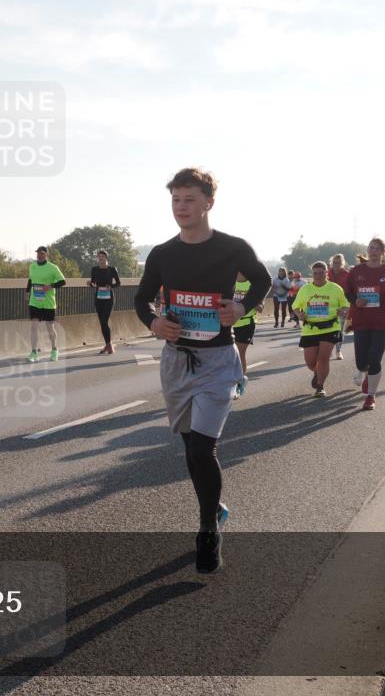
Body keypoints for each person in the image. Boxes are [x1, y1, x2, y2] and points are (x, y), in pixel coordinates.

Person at [134, 167, 270, 574]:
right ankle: (215, 508)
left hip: (216, 363)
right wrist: (155, 323)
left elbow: (261, 280)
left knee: (201, 449)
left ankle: (207, 529)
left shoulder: (232, 248)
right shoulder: (162, 254)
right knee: (190, 448)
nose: (181, 208)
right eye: (176, 200)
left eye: (189, 200)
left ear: (209, 203)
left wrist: (242, 307)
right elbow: (142, 301)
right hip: (176, 361)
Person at [345, 238, 385, 411]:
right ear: (367, 250)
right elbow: (348, 292)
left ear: (382, 253)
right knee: (361, 362)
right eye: (371, 247)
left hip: (382, 321)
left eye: (377, 248)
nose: (373, 251)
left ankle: (370, 395)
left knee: (374, 358)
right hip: (361, 320)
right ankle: (364, 374)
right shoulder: (357, 271)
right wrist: (355, 300)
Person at [291, 262, 350, 397]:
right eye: (315, 273)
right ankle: (317, 372)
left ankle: (320, 386)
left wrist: (343, 311)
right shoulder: (305, 290)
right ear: (312, 274)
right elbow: (295, 306)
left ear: (326, 273)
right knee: (310, 361)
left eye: (321, 273)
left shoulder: (335, 288)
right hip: (310, 328)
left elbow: (346, 305)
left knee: (323, 358)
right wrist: (300, 314)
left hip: (330, 327)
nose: (318, 276)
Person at [26, 246, 66, 362]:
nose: (39, 255)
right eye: (38, 253)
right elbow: (30, 280)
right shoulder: (32, 266)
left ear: (46, 255)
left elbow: (63, 281)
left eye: (42, 254)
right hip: (34, 301)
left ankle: (54, 350)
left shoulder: (53, 268)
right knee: (34, 326)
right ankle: (34, 352)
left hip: (48, 302)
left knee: (50, 327)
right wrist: (27, 292)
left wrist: (51, 286)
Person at [231, 271, 262, 399]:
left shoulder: (253, 284)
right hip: (230, 322)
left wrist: (257, 304)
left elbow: (261, 306)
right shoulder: (229, 281)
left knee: (238, 353)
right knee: (229, 354)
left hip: (246, 323)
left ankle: (239, 383)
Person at [89, 250, 122, 354]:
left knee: (104, 320)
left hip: (109, 298)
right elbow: (93, 283)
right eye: (99, 256)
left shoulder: (112, 269)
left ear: (106, 258)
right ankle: (108, 345)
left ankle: (109, 345)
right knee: (102, 323)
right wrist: (90, 283)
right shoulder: (94, 269)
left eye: (102, 256)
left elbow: (118, 283)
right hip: (98, 298)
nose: (101, 258)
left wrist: (110, 286)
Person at [327, 254, 351, 358]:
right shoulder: (327, 273)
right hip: (327, 304)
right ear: (331, 263)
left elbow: (351, 290)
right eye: (335, 263)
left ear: (342, 264)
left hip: (342, 305)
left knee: (340, 329)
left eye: (339, 263)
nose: (336, 265)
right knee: (328, 329)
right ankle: (328, 350)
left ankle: (338, 351)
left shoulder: (347, 274)